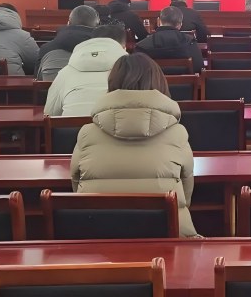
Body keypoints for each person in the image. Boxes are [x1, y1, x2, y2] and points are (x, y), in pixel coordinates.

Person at [70, 53, 197, 237]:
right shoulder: (178, 133)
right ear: (159, 84)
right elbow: (186, 193)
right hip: (167, 238)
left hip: (97, 237)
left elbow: (76, 185)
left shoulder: (86, 134)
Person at [44, 25, 128, 117]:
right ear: (124, 47)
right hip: (115, 125)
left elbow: (50, 112)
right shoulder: (131, 72)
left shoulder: (66, 72)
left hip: (73, 125)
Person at [36, 5, 100, 81]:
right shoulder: (103, 51)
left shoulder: (46, 49)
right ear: (97, 26)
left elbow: (37, 79)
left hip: (53, 88)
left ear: (68, 23)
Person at [135, 6, 203, 71]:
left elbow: (137, 71)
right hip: (184, 79)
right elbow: (198, 67)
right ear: (180, 24)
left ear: (158, 22)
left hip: (155, 79)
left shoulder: (142, 46)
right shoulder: (190, 43)